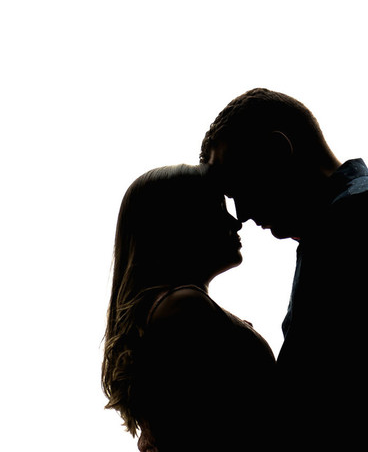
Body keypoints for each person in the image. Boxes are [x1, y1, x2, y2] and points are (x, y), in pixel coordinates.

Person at [202, 88, 368, 452]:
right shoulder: (355, 213)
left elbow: (310, 393)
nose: (242, 214)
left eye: (238, 185)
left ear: (277, 151)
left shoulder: (356, 216)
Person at [102, 164, 277, 452]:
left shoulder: (171, 307)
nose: (236, 222)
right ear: (179, 223)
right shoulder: (183, 308)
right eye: (216, 208)